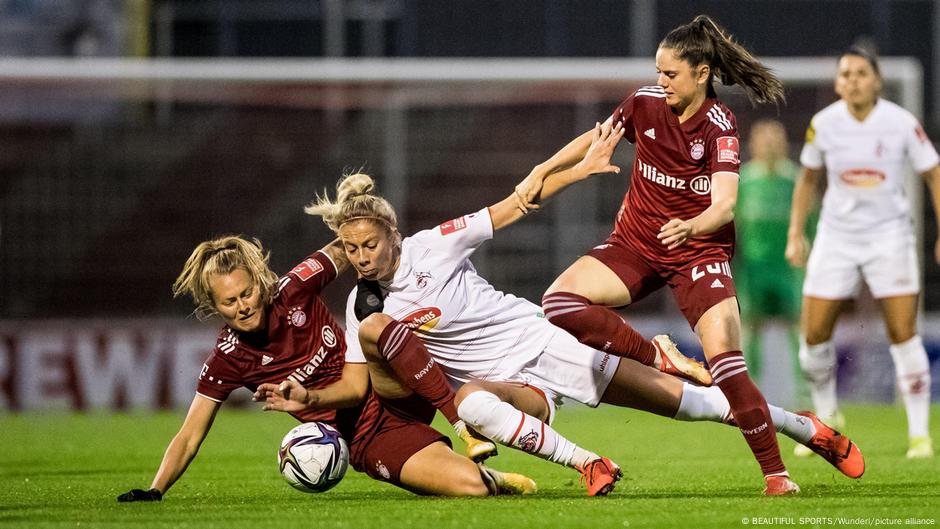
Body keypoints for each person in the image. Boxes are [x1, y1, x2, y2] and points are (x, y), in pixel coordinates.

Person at [260, 121, 865, 498]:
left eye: (370, 244)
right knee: (469, 404)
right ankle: (590, 465)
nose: (363, 257)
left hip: (546, 344)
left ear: (392, 233)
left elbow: (517, 203)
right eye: (353, 249)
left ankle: (803, 427)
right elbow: (364, 379)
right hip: (502, 385)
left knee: (692, 407)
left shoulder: (435, 245)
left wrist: (577, 170)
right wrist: (308, 398)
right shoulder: (362, 306)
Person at [504, 14, 802, 495]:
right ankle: (656, 354)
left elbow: (725, 204)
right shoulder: (644, 103)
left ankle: (777, 475)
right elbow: (597, 136)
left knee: (727, 366)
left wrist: (691, 225)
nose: (660, 82)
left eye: (670, 74)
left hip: (697, 250)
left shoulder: (719, 126)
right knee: (558, 302)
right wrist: (543, 168)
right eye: (658, 72)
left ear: (702, 73)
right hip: (637, 245)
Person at [117, 235, 535, 502]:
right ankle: (492, 475)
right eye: (230, 302)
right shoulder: (228, 359)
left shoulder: (294, 288)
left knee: (378, 325)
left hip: (386, 383)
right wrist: (156, 490)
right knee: (471, 488)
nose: (243, 305)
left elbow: (348, 245)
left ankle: (470, 412)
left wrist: (354, 212)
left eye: (247, 293)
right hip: (366, 436)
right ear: (214, 307)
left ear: (260, 283)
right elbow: (190, 433)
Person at [785, 47, 940, 459]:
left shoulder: (901, 122)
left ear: (876, 80)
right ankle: (827, 413)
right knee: (813, 336)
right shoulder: (824, 123)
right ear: (838, 83)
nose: (851, 80)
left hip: (890, 237)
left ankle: (920, 436)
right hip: (837, 238)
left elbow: (933, 172)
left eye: (859, 73)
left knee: (903, 334)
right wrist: (796, 233)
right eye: (845, 74)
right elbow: (806, 180)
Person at [735, 120, 807, 398]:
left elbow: (810, 221)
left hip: (788, 268)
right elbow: (732, 223)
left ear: (784, 144)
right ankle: (750, 388)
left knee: (798, 327)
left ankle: (803, 389)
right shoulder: (744, 180)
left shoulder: (795, 179)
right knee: (750, 327)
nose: (769, 145)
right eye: (763, 140)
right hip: (753, 268)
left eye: (774, 140)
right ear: (753, 145)